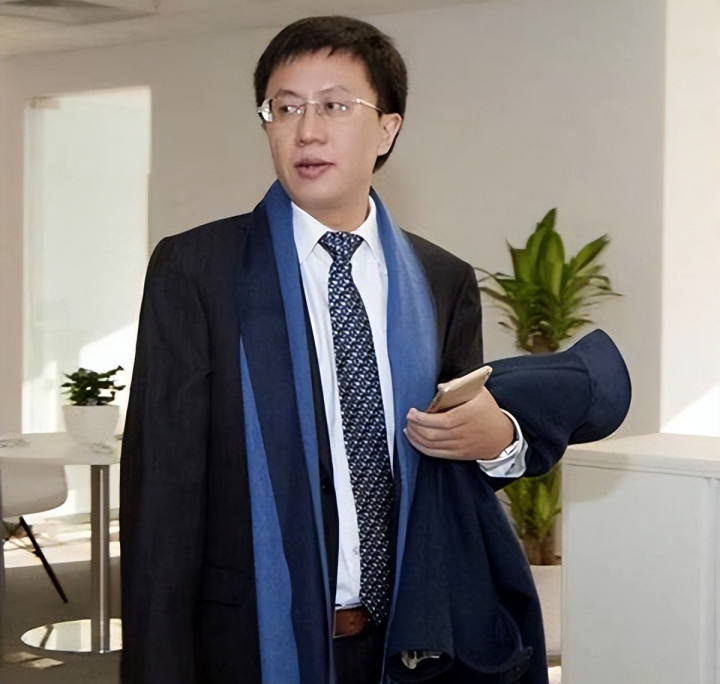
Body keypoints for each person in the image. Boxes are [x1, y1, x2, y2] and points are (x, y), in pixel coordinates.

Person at [120, 15, 630, 684]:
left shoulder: (440, 280)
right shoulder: (198, 270)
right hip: (252, 644)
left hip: (410, 644)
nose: (306, 131)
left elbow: (453, 478)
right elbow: (162, 503)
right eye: (285, 108)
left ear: (387, 128)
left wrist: (498, 438)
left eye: (334, 105)